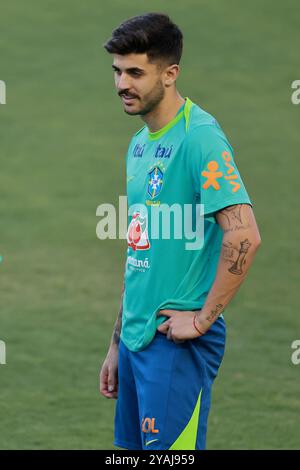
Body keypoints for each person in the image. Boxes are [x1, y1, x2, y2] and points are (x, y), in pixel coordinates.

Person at [99, 12, 261, 450]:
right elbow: (138, 251)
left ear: (170, 74)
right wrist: (118, 343)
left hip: (175, 344)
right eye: (117, 71)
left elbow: (244, 234)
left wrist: (204, 318)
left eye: (135, 72)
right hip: (137, 340)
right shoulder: (139, 144)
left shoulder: (199, 138)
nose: (121, 85)